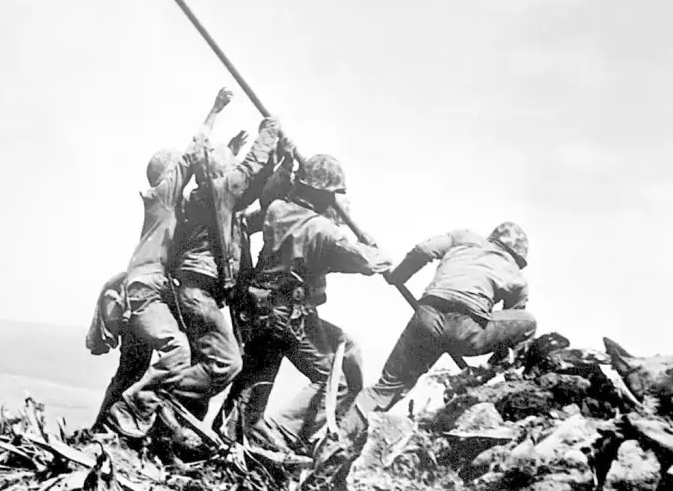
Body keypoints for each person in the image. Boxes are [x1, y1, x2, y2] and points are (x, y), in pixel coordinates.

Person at [215, 153, 392, 453]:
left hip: (259, 308)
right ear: (323, 194)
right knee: (337, 380)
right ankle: (281, 434)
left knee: (262, 374)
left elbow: (256, 220)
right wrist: (373, 249)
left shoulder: (277, 209)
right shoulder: (323, 232)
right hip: (286, 317)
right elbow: (366, 262)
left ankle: (229, 433)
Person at [103, 87, 233, 438]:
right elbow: (191, 157)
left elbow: (201, 175)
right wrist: (214, 110)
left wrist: (226, 155)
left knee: (131, 366)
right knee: (178, 349)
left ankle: (104, 429)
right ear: (166, 174)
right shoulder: (162, 196)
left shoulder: (170, 207)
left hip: (154, 289)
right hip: (148, 289)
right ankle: (132, 412)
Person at [340, 221, 537, 444]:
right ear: (519, 257)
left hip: (426, 318)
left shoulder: (464, 237)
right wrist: (493, 365)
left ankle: (338, 440)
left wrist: (397, 277)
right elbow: (511, 324)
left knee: (386, 388)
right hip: (467, 331)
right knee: (528, 322)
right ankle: (487, 373)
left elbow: (423, 250)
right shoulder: (517, 277)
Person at [167, 116, 283, 420]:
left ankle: (178, 429)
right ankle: (156, 394)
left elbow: (256, 191)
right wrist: (268, 133)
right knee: (225, 363)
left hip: (200, 295)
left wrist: (279, 164)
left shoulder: (215, 205)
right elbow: (247, 173)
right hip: (198, 295)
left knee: (204, 364)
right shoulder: (217, 192)